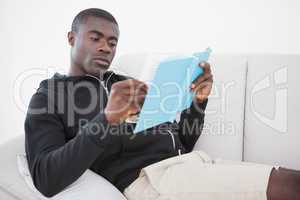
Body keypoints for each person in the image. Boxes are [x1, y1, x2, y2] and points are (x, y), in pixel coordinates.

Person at [25, 8, 300, 200]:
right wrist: (107, 119)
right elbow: (46, 177)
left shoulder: (123, 82)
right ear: (71, 38)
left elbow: (179, 142)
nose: (106, 48)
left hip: (191, 165)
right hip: (150, 181)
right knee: (292, 185)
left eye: (112, 42)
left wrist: (198, 102)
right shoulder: (49, 96)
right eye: (95, 38)